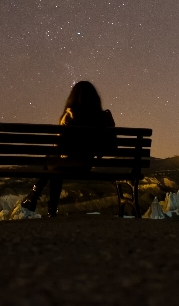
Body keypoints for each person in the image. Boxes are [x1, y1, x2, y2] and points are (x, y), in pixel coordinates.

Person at [21, 80, 115, 216]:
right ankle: (41, 201)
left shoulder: (70, 115)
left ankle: (37, 197)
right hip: (85, 165)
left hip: (67, 164)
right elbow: (112, 146)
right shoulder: (103, 117)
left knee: (52, 161)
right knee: (55, 164)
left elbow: (58, 147)